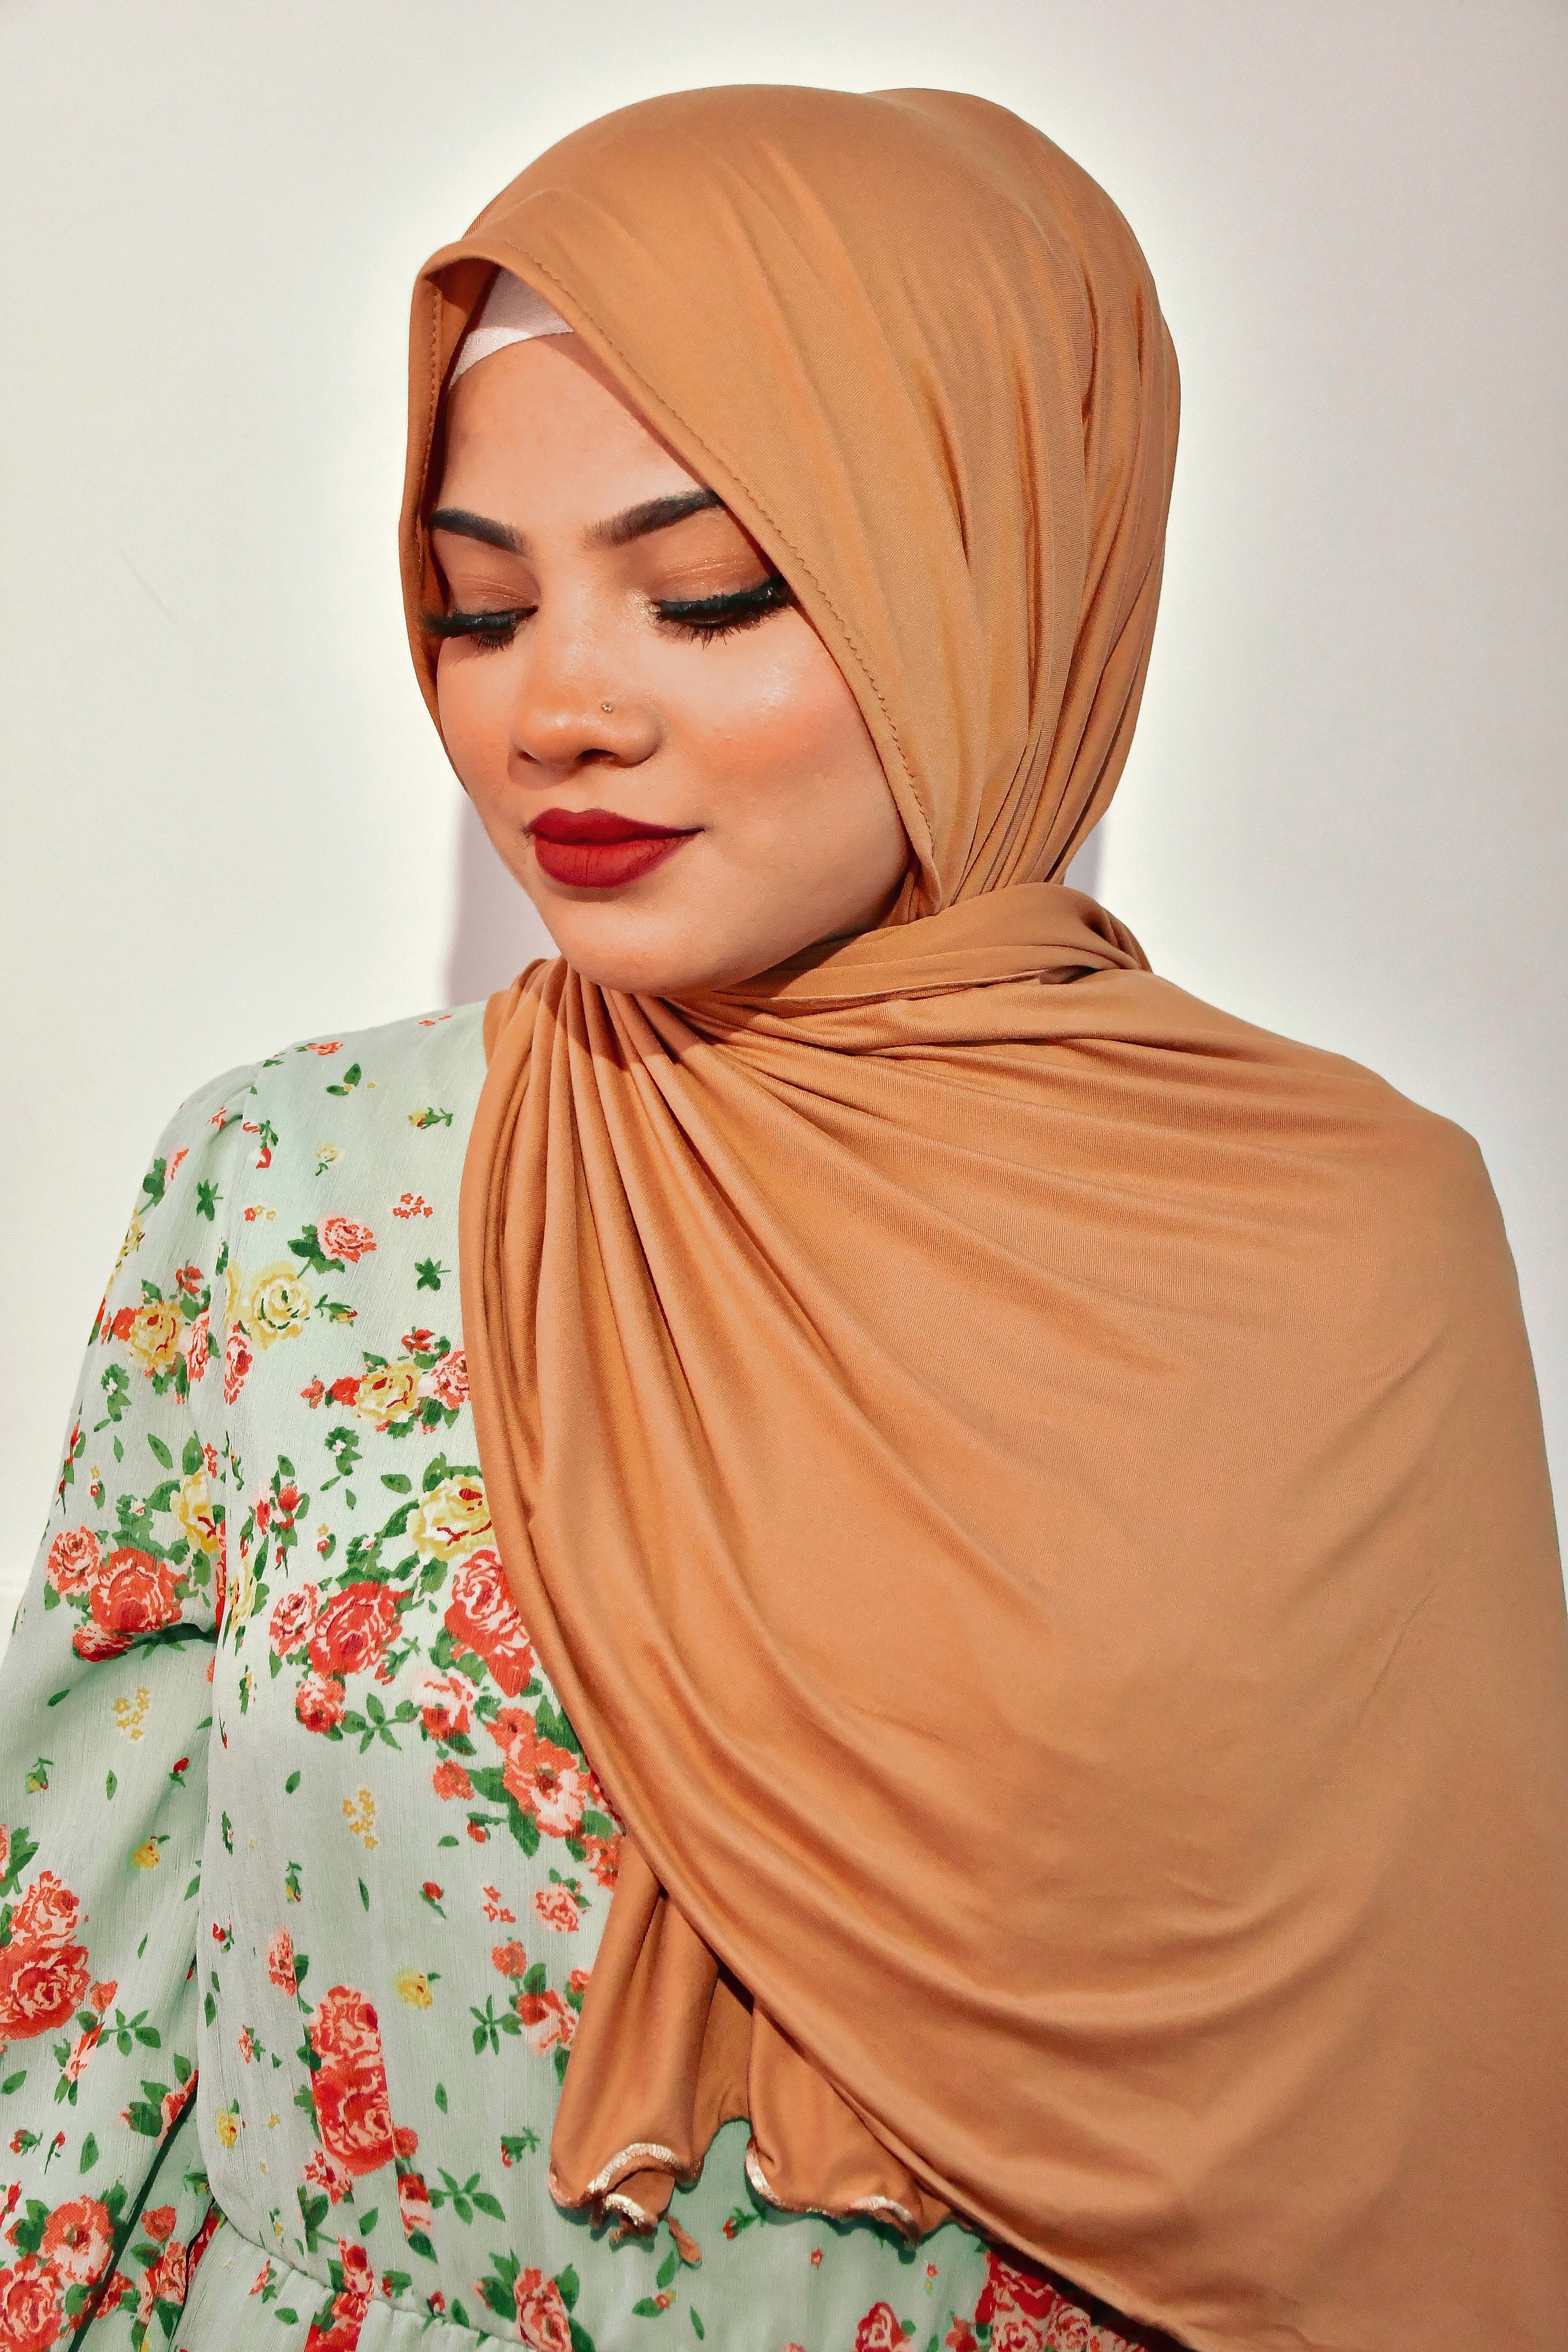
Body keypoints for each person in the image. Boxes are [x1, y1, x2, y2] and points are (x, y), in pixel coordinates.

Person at [2, 84, 1564, 2352]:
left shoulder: (1336, 1252)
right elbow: (79, 1994)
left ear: (996, 577)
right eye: (477, 605)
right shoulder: (287, 1190)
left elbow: (1419, 2144)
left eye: (709, 591)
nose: (557, 705)